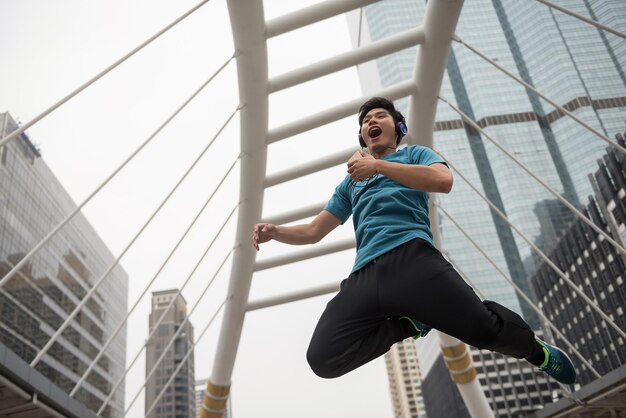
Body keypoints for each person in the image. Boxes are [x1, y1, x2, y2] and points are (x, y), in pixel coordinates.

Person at [251, 97, 576, 385]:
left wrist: (378, 165)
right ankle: (408, 323)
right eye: (366, 121)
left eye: (380, 116)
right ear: (362, 136)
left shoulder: (415, 154)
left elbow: (442, 180)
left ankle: (538, 354)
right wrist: (276, 231)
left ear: (398, 127)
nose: (371, 122)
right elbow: (314, 231)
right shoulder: (350, 183)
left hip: (412, 259)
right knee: (323, 359)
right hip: (364, 275)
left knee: (483, 328)